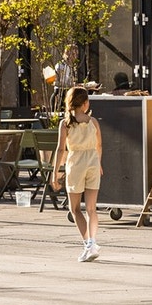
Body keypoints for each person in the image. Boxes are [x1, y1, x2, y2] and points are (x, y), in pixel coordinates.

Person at [51, 86, 102, 262]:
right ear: (86, 103)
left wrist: (55, 172)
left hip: (76, 164)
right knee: (91, 208)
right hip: (93, 163)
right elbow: (99, 145)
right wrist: (99, 163)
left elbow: (60, 149)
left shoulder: (65, 124)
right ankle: (93, 241)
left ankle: (88, 243)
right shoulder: (93, 122)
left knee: (74, 209)